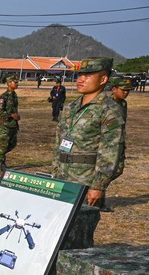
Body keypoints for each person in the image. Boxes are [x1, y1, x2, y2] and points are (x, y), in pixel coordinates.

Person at [52, 57, 124, 209]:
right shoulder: (72, 106)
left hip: (85, 181)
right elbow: (59, 141)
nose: (81, 79)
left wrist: (98, 186)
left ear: (103, 79)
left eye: (88, 75)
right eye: (79, 75)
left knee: (79, 227)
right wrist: (55, 172)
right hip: (62, 176)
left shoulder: (109, 110)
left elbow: (110, 150)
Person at [0, 75, 20, 170]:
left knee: (13, 144)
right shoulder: (4, 96)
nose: (17, 84)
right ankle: (2, 164)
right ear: (9, 83)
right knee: (4, 144)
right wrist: (11, 115)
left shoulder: (14, 95)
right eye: (15, 82)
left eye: (17, 82)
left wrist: (16, 116)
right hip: (4, 125)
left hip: (13, 124)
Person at [108, 76, 133, 182]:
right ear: (114, 89)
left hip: (119, 141)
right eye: (123, 90)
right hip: (107, 143)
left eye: (128, 90)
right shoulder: (106, 104)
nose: (126, 93)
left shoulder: (123, 104)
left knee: (118, 169)